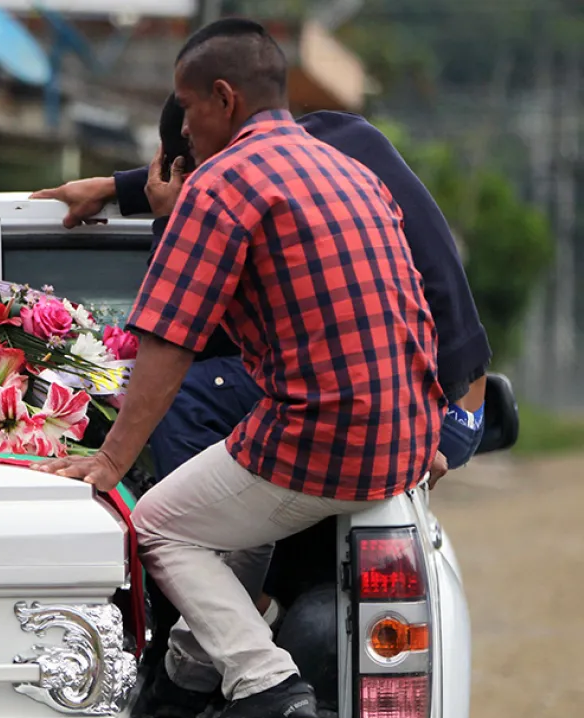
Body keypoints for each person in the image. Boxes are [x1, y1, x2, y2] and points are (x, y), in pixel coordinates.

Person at [34, 18, 447, 718]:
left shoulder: (222, 184)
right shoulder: (349, 171)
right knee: (237, 525)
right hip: (404, 442)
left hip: (324, 438)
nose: (182, 131)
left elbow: (169, 340)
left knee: (159, 524)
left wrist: (110, 462)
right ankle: (185, 685)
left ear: (224, 99)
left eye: (187, 108)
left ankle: (266, 686)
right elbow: (416, 309)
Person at [34, 99, 490, 480]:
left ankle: (211, 550)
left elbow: (183, 333)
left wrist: (170, 219)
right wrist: (117, 187)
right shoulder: (339, 136)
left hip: (416, 412)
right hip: (459, 407)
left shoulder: (238, 207)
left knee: (180, 395)